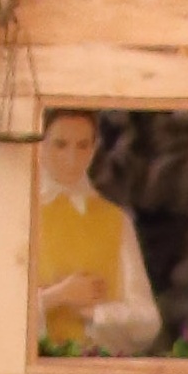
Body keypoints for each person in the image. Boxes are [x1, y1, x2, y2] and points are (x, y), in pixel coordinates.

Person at [33, 112, 162, 357]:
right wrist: (58, 296)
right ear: (40, 145)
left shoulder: (115, 221)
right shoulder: (21, 217)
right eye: (60, 145)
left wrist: (98, 314)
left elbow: (147, 320)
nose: (72, 158)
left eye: (83, 146)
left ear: (94, 149)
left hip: (100, 371)